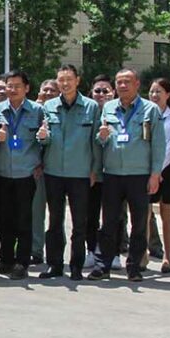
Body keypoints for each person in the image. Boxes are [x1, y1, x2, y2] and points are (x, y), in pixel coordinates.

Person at [90, 68, 164, 282]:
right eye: (119, 82)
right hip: (112, 174)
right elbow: (100, 142)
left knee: (139, 224)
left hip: (139, 175)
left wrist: (155, 174)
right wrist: (101, 137)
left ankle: (134, 267)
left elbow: (158, 144)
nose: (123, 86)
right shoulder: (108, 108)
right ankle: (102, 265)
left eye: (127, 82)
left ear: (137, 84)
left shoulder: (150, 110)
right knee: (109, 222)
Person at [37, 64, 102, 281]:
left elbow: (96, 141)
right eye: (61, 80)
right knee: (55, 221)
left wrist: (94, 170)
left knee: (79, 223)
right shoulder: (49, 107)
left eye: (69, 79)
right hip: (54, 171)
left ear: (77, 81)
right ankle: (55, 264)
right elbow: (43, 140)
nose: (65, 83)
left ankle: (76, 266)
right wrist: (43, 137)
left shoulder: (91, 107)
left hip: (80, 173)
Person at [0, 70, 43, 280]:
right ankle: (5, 260)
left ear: (26, 88)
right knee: (4, 220)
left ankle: (22, 262)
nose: (12, 90)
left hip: (26, 173)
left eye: (17, 86)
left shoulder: (37, 111)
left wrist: (41, 162)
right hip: (2, 172)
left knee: (24, 220)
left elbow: (45, 139)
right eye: (9, 86)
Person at [147, 77, 170, 274]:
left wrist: (158, 170)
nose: (154, 95)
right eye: (152, 91)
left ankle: (167, 257)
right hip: (147, 169)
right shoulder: (144, 114)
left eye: (159, 91)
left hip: (165, 169)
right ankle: (143, 254)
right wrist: (152, 170)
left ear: (168, 95)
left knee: (166, 215)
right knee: (144, 215)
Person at [86, 74, 116, 269]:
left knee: (115, 216)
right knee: (91, 214)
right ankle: (91, 250)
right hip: (93, 174)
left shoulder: (118, 111)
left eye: (106, 90)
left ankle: (114, 252)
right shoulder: (88, 111)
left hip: (115, 172)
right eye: (97, 90)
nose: (101, 94)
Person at [29, 78, 59, 265]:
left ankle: (56, 254)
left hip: (57, 169)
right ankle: (36, 250)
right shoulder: (34, 111)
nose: (48, 93)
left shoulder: (60, 111)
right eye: (45, 89)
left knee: (57, 215)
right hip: (37, 169)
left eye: (52, 90)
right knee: (36, 213)